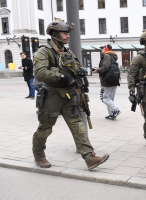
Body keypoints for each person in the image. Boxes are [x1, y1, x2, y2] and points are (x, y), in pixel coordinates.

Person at [33, 18, 109, 169]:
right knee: (45, 128)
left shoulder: (66, 51)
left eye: (67, 33)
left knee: (78, 125)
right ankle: (39, 155)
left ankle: (89, 158)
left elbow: (76, 65)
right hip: (51, 97)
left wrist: (79, 71)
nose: (67, 36)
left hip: (68, 95)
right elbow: (40, 72)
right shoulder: (44, 51)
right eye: (64, 33)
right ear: (55, 33)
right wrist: (61, 76)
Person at [93, 44, 121, 120]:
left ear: (106, 49)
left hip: (107, 80)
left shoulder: (107, 56)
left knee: (104, 98)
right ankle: (111, 114)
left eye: (102, 48)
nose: (101, 50)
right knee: (110, 99)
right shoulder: (112, 56)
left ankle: (115, 110)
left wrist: (97, 70)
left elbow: (105, 67)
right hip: (113, 79)